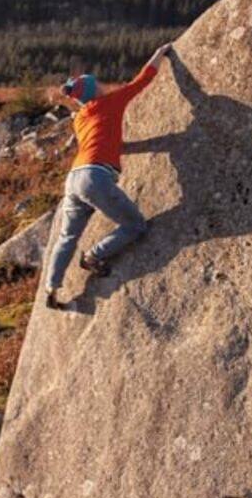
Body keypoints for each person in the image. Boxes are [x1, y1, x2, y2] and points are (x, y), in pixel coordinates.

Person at [45, 43, 172, 309]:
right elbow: (142, 80)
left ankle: (51, 288)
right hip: (95, 176)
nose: (103, 84)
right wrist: (160, 53)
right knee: (135, 225)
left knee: (67, 237)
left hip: (74, 178)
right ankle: (93, 256)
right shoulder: (109, 102)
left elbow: (100, 142)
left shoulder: (80, 118)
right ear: (95, 90)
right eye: (98, 83)